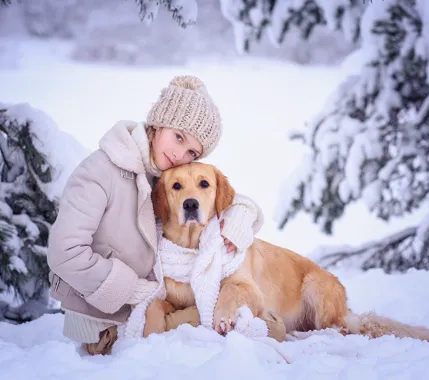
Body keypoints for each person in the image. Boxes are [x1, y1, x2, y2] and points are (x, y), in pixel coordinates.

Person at [46, 75, 265, 355]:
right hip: (106, 321)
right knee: (246, 323)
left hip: (156, 304)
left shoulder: (162, 176)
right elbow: (64, 254)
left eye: (191, 151)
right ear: (158, 123)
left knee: (236, 312)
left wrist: (242, 214)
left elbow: (209, 191)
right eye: (178, 137)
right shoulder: (99, 172)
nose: (179, 154)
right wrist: (130, 289)